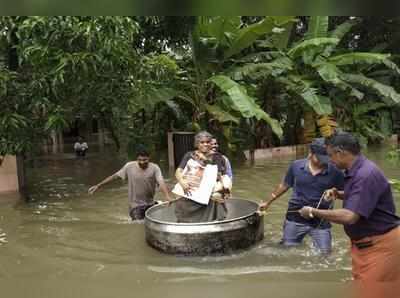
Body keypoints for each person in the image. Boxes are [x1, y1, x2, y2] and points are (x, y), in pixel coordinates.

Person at [299, 132, 400, 291]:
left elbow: (350, 216)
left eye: (331, 155)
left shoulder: (365, 174)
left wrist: (313, 211)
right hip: (365, 246)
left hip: (380, 247)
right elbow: (365, 196)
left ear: (341, 153)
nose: (330, 161)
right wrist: (340, 194)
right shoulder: (357, 170)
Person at [259, 138, 344, 254]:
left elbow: (348, 193)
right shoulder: (296, 166)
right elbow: (284, 185)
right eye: (319, 158)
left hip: (321, 221)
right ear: (311, 153)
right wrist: (268, 202)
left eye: (326, 158)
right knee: (287, 251)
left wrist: (335, 193)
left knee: (325, 255)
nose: (323, 162)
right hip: (295, 218)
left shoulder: (336, 172)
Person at [88, 148, 172, 220]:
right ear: (136, 159)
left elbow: (161, 182)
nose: (142, 162)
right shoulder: (129, 166)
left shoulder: (155, 168)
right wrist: (98, 185)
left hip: (149, 203)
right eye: (140, 160)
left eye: (145, 160)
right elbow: (114, 176)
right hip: (135, 206)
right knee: (138, 224)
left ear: (149, 158)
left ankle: (157, 203)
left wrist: (167, 197)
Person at [174, 131, 231, 223]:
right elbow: (178, 171)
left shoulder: (217, 157)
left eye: (208, 142)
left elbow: (218, 175)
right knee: (184, 214)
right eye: (202, 142)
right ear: (197, 144)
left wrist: (206, 160)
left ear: (210, 143)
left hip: (207, 194)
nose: (205, 144)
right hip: (190, 191)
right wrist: (182, 181)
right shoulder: (189, 155)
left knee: (215, 203)